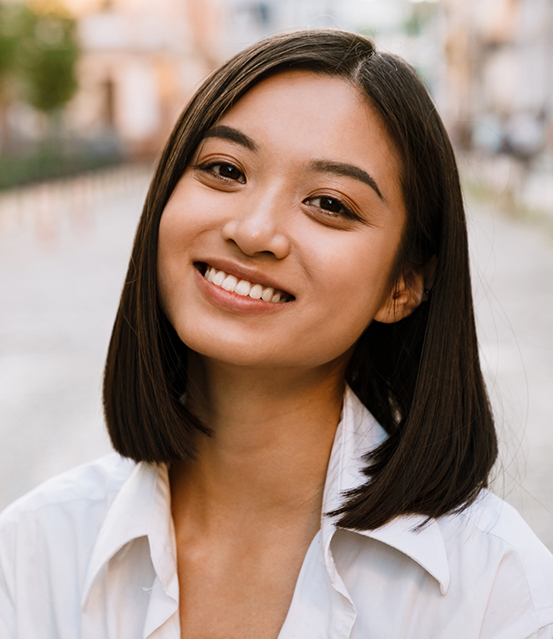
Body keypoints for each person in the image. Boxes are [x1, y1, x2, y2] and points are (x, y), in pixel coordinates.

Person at [1, 29, 552, 639]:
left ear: (403, 286)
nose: (255, 230)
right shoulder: (33, 555)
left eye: (330, 204)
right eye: (224, 169)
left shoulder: (497, 591)